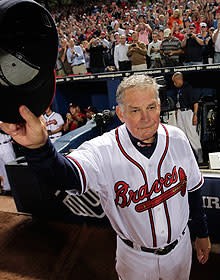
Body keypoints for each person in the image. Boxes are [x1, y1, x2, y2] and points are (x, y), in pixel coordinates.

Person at [0, 74, 211, 280]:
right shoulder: (103, 149)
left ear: (159, 105)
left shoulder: (177, 138)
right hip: (136, 258)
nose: (145, 118)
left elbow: (193, 189)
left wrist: (202, 234)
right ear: (120, 114)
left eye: (151, 107)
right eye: (135, 110)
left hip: (181, 249)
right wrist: (39, 149)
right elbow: (65, 176)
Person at [170, 72, 204, 164]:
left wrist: (195, 115)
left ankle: (200, 156)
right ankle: (185, 157)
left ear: (179, 79)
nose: (174, 84)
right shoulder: (178, 90)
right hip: (180, 112)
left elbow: (195, 102)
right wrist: (177, 115)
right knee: (181, 135)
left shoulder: (188, 88)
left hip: (188, 112)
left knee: (192, 135)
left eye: (175, 82)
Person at [0, 130, 16, 195]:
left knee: (12, 168)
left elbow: (7, 130)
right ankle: (7, 188)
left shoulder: (3, 120)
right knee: (2, 170)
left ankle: (17, 188)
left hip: (6, 144)